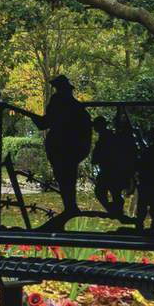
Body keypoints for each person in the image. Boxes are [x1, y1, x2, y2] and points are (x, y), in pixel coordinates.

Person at [28, 74, 92, 228]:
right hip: (67, 150)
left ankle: (70, 207)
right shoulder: (77, 108)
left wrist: (32, 116)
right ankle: (70, 207)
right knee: (67, 178)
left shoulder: (58, 104)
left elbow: (44, 124)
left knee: (65, 178)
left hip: (63, 150)